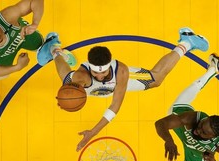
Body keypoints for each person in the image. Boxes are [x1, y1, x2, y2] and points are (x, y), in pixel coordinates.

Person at [36, 27, 209, 152]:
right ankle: (53, 48)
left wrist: (93, 131)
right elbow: (67, 82)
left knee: (156, 79)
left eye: (103, 71)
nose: (101, 75)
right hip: (88, 84)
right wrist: (64, 97)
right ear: (90, 68)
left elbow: (114, 107)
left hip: (117, 84)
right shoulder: (81, 77)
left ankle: (186, 41)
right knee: (65, 76)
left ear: (108, 65)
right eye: (96, 71)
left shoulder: (122, 71)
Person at [0, 0, 45, 105]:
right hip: (5, 54)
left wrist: (35, 23)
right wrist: (18, 67)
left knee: (41, 45)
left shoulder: (6, 16)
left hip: (23, 35)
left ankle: (55, 52)